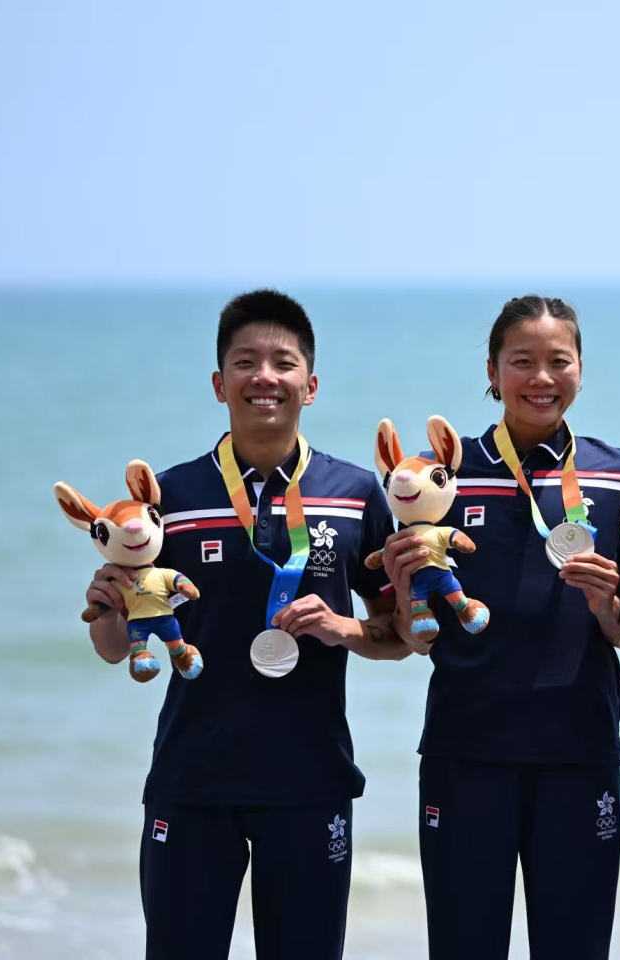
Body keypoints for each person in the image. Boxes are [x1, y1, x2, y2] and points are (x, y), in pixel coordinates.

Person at [83, 290, 410, 960]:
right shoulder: (169, 499)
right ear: (219, 383)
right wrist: (109, 611)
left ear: (310, 386)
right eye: (245, 361)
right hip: (192, 779)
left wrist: (341, 629)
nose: (265, 376)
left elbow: (398, 637)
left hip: (312, 780)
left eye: (282, 363)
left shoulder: (353, 494)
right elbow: (116, 650)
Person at [381, 295, 620, 959]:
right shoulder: (436, 479)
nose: (541, 377)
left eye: (558, 361)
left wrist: (606, 610)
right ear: (493, 371)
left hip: (580, 751)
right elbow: (411, 635)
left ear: (581, 370)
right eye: (521, 361)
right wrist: (402, 593)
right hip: (465, 753)